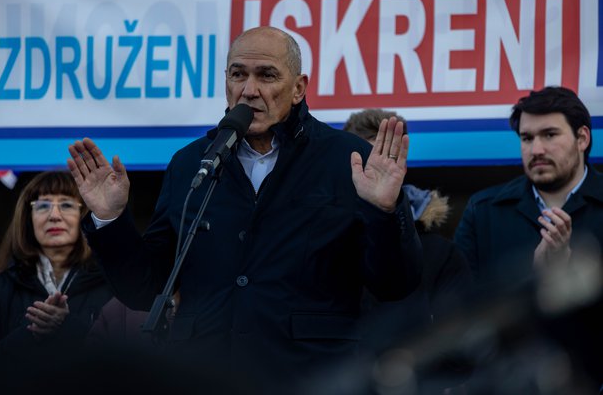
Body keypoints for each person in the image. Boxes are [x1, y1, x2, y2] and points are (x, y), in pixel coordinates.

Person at [67, 26, 422, 391]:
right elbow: (145, 289)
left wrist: (384, 210)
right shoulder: (192, 163)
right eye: (239, 74)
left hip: (310, 377)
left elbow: (396, 285)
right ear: (226, 81)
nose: (249, 90)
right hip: (204, 374)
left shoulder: (347, 160)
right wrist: (110, 220)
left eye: (267, 75)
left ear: (299, 88)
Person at [344, 108, 473, 392]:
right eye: (363, 160)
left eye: (385, 159)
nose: (373, 171)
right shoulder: (319, 241)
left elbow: (463, 346)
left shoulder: (441, 254)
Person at [0, 171, 113, 394]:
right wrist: (30, 332)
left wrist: (67, 328)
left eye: (66, 205)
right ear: (28, 219)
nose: (54, 215)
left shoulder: (112, 284)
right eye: (43, 206)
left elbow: (126, 369)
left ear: (84, 215)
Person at [454, 86, 603, 290]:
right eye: (527, 138)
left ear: (582, 138)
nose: (536, 150)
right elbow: (460, 310)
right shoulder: (482, 211)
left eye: (550, 135)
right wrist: (532, 278)